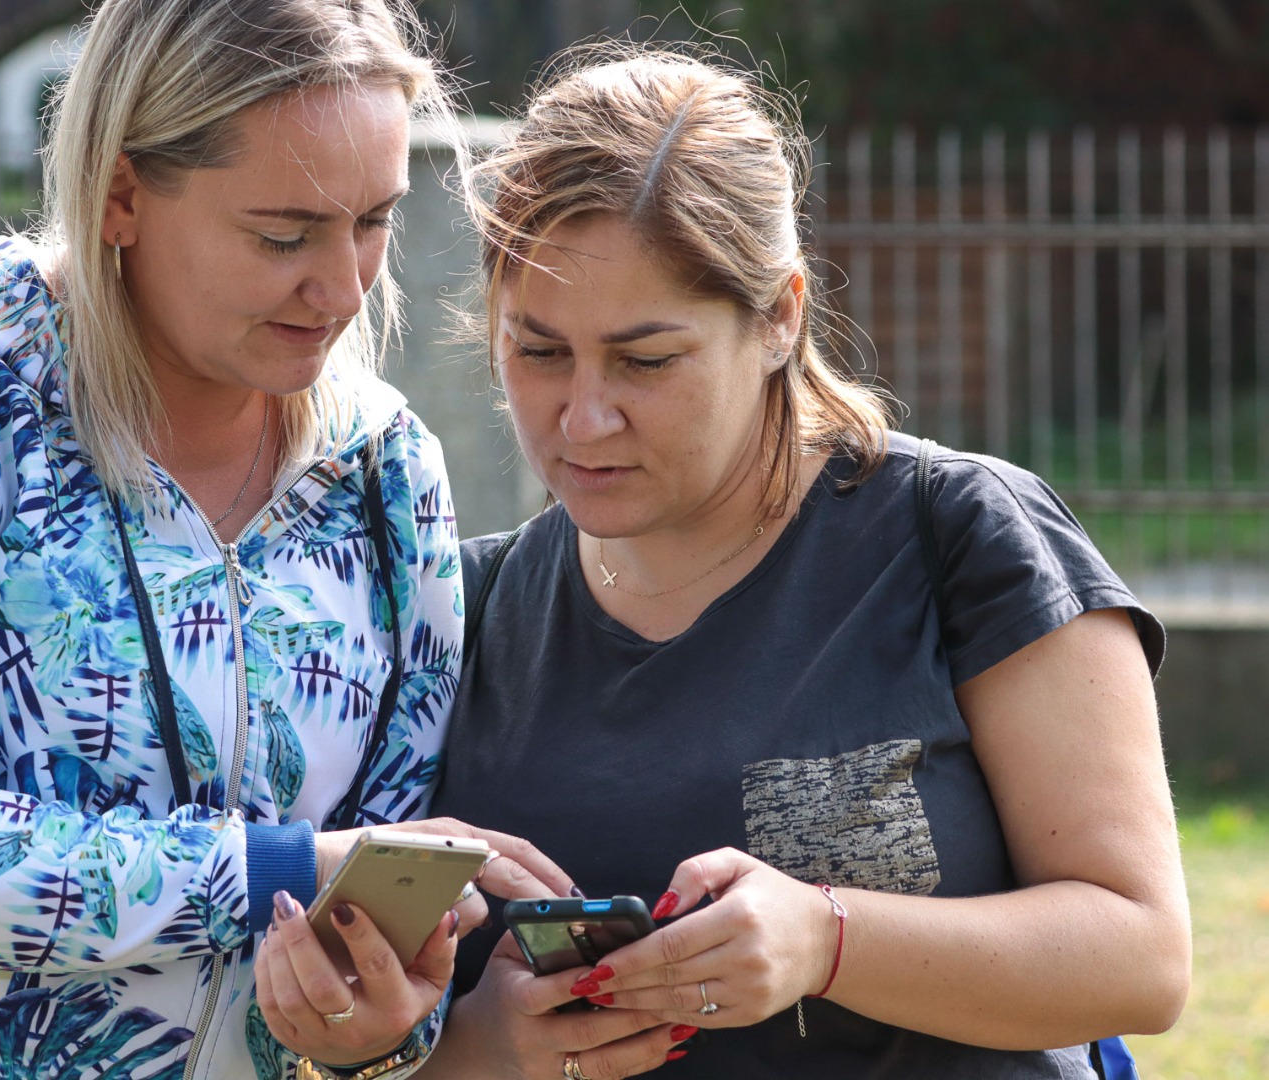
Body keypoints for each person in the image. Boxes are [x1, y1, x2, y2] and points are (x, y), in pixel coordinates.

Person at [0, 2, 567, 1078]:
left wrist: (374, 1035)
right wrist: (268, 871)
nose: (344, 287)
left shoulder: (389, 476)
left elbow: (375, 945)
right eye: (283, 235)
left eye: (374, 222)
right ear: (120, 194)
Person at [421, 46, 1192, 1079]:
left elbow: (1141, 959)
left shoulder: (958, 534)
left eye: (647, 360)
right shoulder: (457, 609)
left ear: (780, 315)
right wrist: (481, 1050)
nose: (583, 415)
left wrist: (827, 940)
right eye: (538, 351)